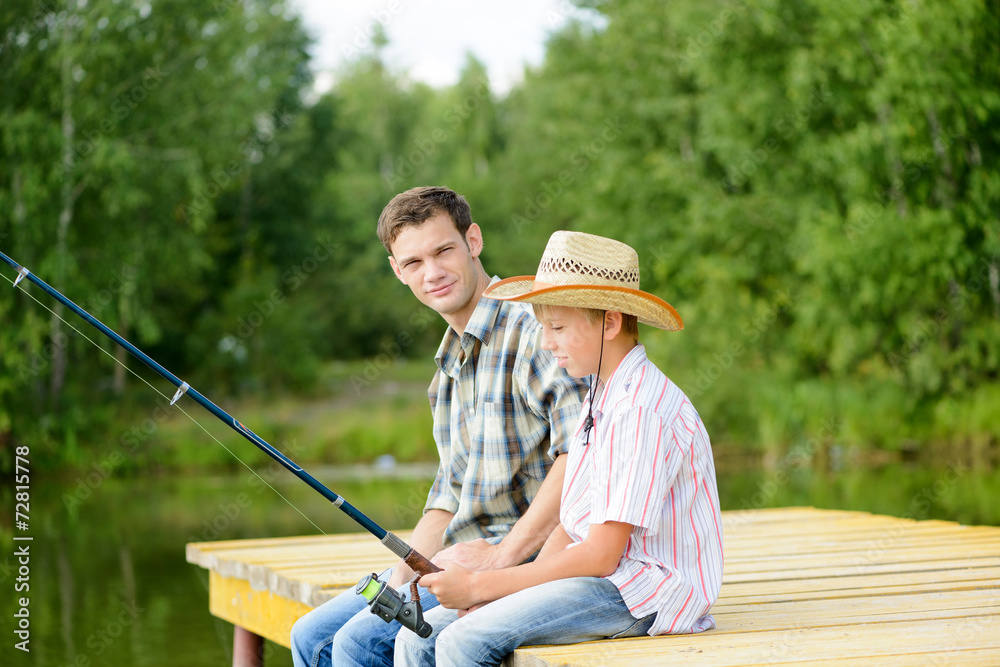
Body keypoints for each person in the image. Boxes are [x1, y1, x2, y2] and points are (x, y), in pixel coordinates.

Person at [394, 230, 725, 667]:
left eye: (557, 328)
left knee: (462, 641)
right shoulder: (599, 396)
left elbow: (603, 555)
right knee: (417, 638)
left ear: (609, 321)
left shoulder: (639, 409)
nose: (546, 343)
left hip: (643, 591)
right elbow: (571, 526)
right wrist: (508, 586)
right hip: (599, 577)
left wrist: (481, 588)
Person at [290, 187, 587, 667]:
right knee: (311, 635)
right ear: (396, 271)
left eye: (443, 250)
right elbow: (448, 497)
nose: (432, 273)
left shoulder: (535, 332)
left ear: (473, 241)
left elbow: (580, 456)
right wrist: (400, 577)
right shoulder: (445, 372)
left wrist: (502, 559)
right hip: (457, 556)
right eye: (412, 262)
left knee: (357, 644)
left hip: (527, 556)